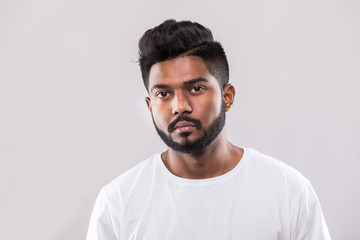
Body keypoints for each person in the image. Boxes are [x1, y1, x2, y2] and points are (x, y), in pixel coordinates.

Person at [86, 19, 331, 240]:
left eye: (196, 89)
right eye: (163, 94)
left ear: (227, 97)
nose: (179, 106)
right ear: (150, 105)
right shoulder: (118, 202)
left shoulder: (288, 191)